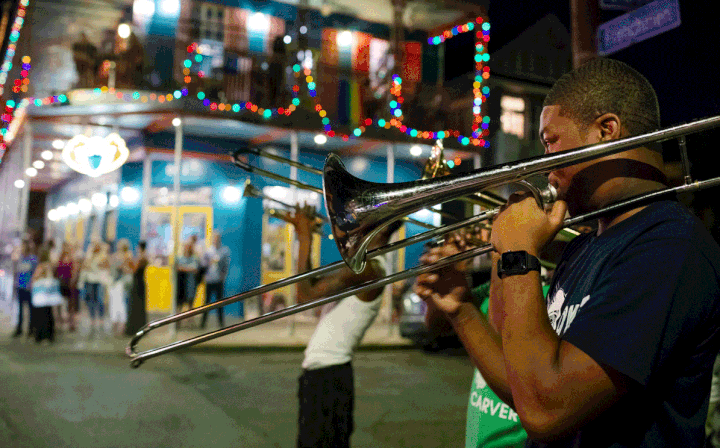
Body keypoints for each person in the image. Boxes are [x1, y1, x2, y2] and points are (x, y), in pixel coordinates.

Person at [415, 57, 720, 446]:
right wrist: (462, 310)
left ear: (606, 131)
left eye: (550, 142)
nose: (544, 166)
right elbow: (527, 387)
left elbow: (547, 410)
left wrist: (518, 254)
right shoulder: (585, 246)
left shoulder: (670, 247)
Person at [286, 204, 402, 448]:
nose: (351, 225)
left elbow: (305, 294)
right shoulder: (365, 266)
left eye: (359, 222)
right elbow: (314, 284)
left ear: (375, 230)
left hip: (328, 380)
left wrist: (305, 235)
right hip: (326, 376)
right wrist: (304, 235)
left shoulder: (368, 270)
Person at [200, 233, 230, 329]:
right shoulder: (208, 251)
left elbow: (226, 264)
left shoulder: (224, 251)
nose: (216, 240)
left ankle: (221, 323)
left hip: (219, 280)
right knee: (207, 302)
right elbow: (203, 264)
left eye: (217, 238)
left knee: (220, 302)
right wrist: (210, 262)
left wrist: (223, 275)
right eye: (214, 238)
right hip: (209, 280)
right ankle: (203, 323)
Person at [30, 247, 60, 343]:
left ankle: (43, 336)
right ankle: (48, 335)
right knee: (48, 314)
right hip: (47, 294)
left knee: (42, 315)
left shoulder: (43, 266)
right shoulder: (50, 265)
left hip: (42, 294)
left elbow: (36, 277)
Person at [80, 241, 110, 337]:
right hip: (89, 280)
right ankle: (92, 318)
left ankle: (101, 319)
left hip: (99, 281)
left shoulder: (103, 256)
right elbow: (84, 266)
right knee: (90, 300)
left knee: (99, 299)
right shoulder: (89, 256)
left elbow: (105, 266)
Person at [12, 239, 37, 338]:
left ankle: (31, 329)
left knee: (31, 310)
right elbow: (16, 273)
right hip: (20, 287)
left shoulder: (33, 259)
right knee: (20, 310)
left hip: (29, 288)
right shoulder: (19, 259)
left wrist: (31, 284)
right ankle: (19, 329)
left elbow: (35, 273)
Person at [108, 239, 134, 337]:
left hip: (121, 283)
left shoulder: (128, 256)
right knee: (115, 305)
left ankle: (121, 327)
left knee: (121, 306)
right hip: (115, 283)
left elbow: (128, 270)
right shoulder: (116, 256)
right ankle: (116, 326)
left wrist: (122, 266)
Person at [125, 241, 148, 336]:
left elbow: (134, 270)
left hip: (137, 284)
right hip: (141, 282)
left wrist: (129, 261)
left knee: (135, 305)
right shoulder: (144, 257)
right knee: (139, 306)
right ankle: (140, 327)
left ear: (139, 247)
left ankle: (134, 328)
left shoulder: (141, 258)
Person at [175, 239, 200, 327]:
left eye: (189, 247)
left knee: (190, 303)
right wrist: (187, 269)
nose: (187, 249)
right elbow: (177, 267)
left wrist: (183, 268)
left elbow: (195, 269)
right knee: (180, 304)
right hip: (181, 284)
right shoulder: (180, 258)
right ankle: (178, 321)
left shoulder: (194, 258)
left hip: (191, 283)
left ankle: (190, 321)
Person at [56, 241, 78, 332]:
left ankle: (71, 323)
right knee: (59, 303)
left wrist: (73, 281)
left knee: (70, 305)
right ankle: (60, 322)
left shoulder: (72, 259)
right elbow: (56, 270)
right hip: (61, 282)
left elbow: (75, 271)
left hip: (69, 282)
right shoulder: (59, 258)